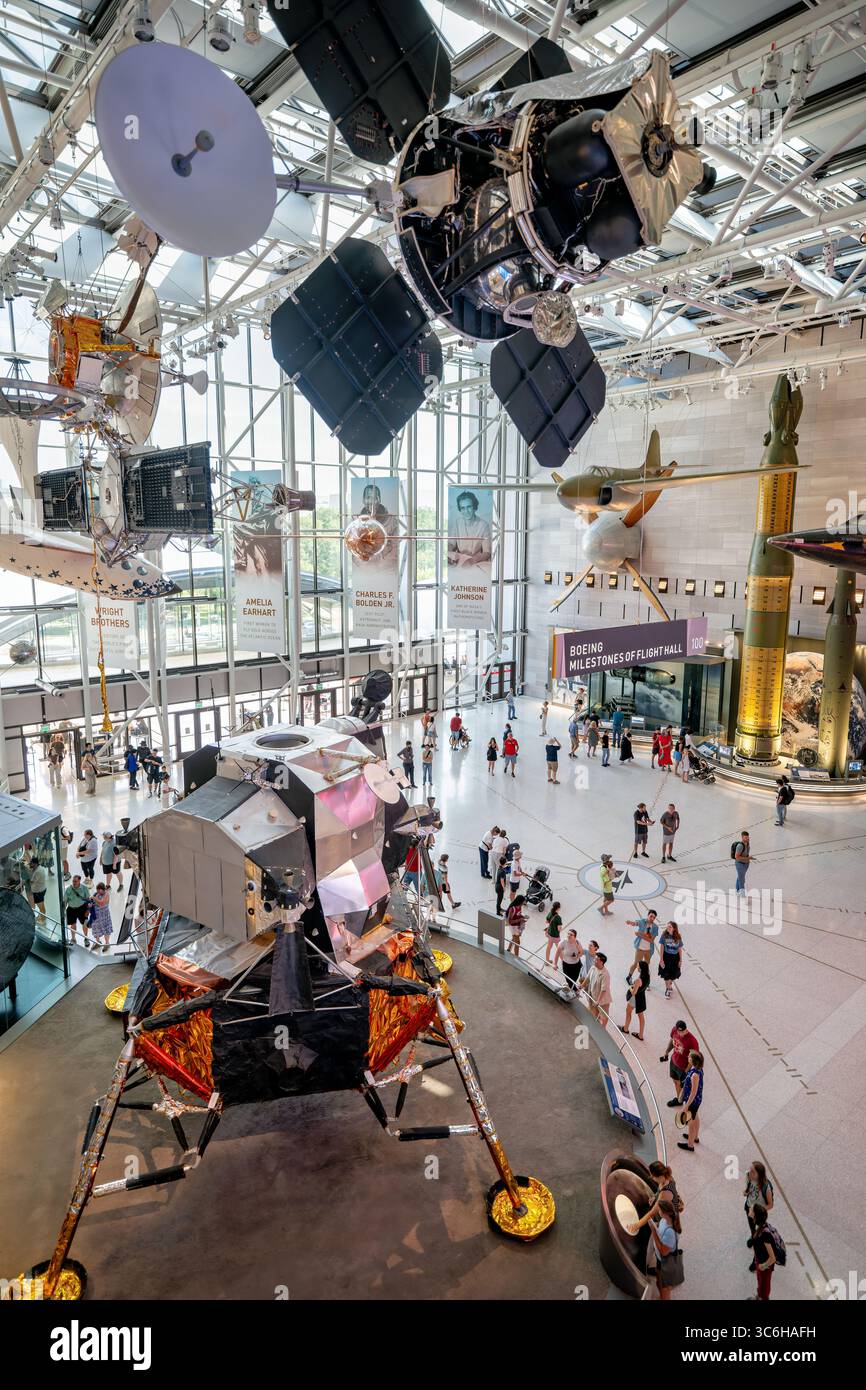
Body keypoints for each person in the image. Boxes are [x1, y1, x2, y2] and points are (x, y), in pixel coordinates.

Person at [649, 1197, 683, 1300]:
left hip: (666, 1265)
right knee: (659, 1282)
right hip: (661, 1262)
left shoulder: (670, 1233)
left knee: (664, 1292)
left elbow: (663, 1251)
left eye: (659, 1210)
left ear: (664, 1212)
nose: (658, 1211)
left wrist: (653, 1231)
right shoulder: (665, 1220)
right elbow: (661, 1228)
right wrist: (655, 1226)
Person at [447, 489, 492, 568]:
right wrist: (449, 553)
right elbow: (451, 543)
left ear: (474, 507)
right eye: (463, 508)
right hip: (458, 561)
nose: (466, 511)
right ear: (460, 509)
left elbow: (487, 552)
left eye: (469, 507)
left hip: (476, 561)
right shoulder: (457, 523)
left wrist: (472, 561)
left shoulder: (484, 525)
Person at [660, 1020, 699, 1107]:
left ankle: (685, 1102)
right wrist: (667, 1051)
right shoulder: (674, 1030)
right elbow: (672, 1041)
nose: (681, 1033)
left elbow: (693, 1059)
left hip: (683, 1068)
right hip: (673, 1062)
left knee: (684, 1086)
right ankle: (679, 1100)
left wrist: (686, 1071)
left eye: (683, 1031)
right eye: (679, 1031)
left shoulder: (692, 1041)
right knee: (675, 1081)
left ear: (686, 1029)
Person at [744, 1161, 775, 1269]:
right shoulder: (748, 1176)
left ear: (759, 1175)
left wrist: (758, 1210)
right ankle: (752, 1236)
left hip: (758, 1215)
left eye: (753, 1172)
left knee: (758, 1239)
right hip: (749, 1209)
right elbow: (749, 1189)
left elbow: (771, 1205)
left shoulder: (766, 1188)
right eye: (750, 1170)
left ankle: (755, 1258)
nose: (750, 1173)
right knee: (752, 1230)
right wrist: (746, 1192)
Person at [677, 1048, 704, 1152]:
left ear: (693, 1061)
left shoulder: (694, 1075)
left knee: (691, 1123)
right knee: (695, 1117)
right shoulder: (698, 1069)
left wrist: (686, 1105)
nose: (688, 1057)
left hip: (692, 1101)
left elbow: (693, 1092)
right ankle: (695, 1137)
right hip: (696, 1100)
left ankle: (690, 1145)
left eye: (689, 1057)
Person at [749, 1204, 777, 1301]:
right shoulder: (760, 1227)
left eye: (751, 1210)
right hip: (759, 1262)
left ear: (755, 1215)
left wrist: (763, 1266)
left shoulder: (765, 1234)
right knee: (760, 1285)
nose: (750, 1210)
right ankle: (759, 1296)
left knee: (764, 1290)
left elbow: (773, 1258)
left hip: (765, 1267)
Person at [626, 909, 659, 982]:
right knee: (636, 963)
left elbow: (651, 940)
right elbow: (635, 923)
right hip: (640, 948)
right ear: (648, 915)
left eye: (654, 917)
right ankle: (629, 977)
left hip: (648, 950)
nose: (652, 919)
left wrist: (640, 934)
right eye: (651, 916)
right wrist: (630, 922)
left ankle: (644, 980)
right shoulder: (642, 922)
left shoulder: (655, 927)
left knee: (646, 966)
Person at [623, 960, 649, 1039]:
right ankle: (640, 1035)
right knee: (641, 1016)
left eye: (638, 966)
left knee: (628, 1011)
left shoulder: (638, 980)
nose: (637, 967)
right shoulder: (647, 976)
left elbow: (634, 992)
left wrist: (631, 987)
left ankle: (625, 1028)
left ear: (640, 969)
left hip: (635, 999)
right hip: (642, 998)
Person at [658, 921, 684, 999]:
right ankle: (668, 989)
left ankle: (669, 983)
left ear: (674, 929)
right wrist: (661, 959)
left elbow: (679, 948)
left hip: (675, 958)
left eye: (670, 927)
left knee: (673, 975)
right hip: (666, 957)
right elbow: (662, 947)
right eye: (667, 926)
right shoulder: (664, 936)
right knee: (666, 974)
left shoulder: (678, 937)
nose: (668, 928)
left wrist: (680, 960)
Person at [586, 950, 612, 1028]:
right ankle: (594, 1025)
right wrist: (581, 986)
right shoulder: (593, 968)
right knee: (593, 1012)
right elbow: (587, 978)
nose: (594, 960)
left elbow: (604, 989)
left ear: (601, 962)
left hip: (602, 1000)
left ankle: (603, 1029)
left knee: (604, 1017)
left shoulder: (605, 974)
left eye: (596, 959)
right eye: (595, 959)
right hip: (593, 995)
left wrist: (598, 1001)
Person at [65, 874, 91, 947]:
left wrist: (88, 910)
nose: (74, 883)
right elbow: (65, 901)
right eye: (73, 881)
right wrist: (63, 910)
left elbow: (88, 900)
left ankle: (86, 938)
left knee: (85, 924)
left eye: (76, 881)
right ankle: (73, 938)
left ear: (79, 881)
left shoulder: (84, 888)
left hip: (82, 908)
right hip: (71, 909)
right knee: (73, 924)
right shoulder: (68, 889)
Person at [89, 882, 113, 953]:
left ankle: (107, 943)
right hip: (96, 915)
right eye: (97, 890)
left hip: (104, 915)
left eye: (99, 890)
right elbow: (93, 903)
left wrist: (94, 898)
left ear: (103, 889)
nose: (98, 892)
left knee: (106, 928)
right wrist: (90, 904)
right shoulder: (96, 894)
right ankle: (98, 942)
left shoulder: (106, 894)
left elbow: (102, 903)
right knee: (96, 928)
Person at [29, 856, 48, 923]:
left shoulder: (38, 872)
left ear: (35, 864)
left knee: (41, 907)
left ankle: (42, 920)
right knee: (42, 905)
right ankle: (42, 916)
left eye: (31, 863)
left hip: (38, 892)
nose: (29, 864)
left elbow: (31, 881)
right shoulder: (39, 868)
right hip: (41, 889)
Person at [544, 901, 562, 965]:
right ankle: (564, 962)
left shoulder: (550, 913)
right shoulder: (558, 918)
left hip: (549, 934)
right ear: (558, 908)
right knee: (559, 949)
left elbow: (546, 921)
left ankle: (547, 961)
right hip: (556, 936)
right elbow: (559, 929)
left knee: (549, 947)